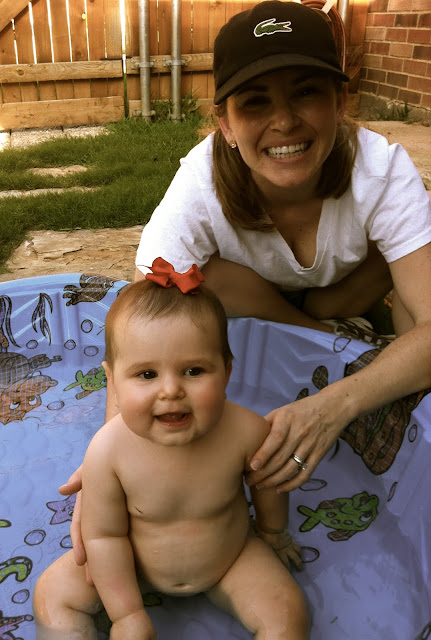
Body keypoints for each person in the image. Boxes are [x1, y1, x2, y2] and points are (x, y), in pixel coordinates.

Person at [60, 0, 431, 567]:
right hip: (254, 295)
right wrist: (112, 458)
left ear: (340, 102)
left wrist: (333, 405)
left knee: (416, 283)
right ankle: (328, 335)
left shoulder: (382, 170)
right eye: (256, 101)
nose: (284, 122)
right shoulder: (200, 182)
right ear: (226, 124)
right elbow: (140, 331)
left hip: (347, 288)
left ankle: (339, 332)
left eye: (305, 92)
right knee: (187, 283)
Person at [34, 260, 309, 640]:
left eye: (194, 371)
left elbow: (270, 482)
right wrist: (126, 613)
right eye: (147, 374)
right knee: (52, 596)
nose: (171, 390)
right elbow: (104, 537)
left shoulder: (247, 432)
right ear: (112, 381)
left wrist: (273, 532)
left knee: (288, 615)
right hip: (132, 567)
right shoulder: (108, 452)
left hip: (230, 560)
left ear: (227, 372)